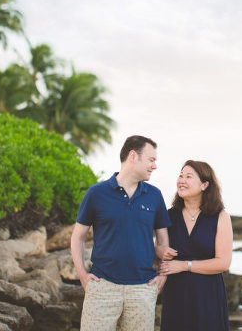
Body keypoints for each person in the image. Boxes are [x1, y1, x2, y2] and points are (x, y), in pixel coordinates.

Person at [70, 135, 172, 331]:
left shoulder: (154, 195)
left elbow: (162, 242)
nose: (154, 166)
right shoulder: (96, 193)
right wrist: (82, 275)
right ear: (133, 156)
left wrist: (163, 276)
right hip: (102, 287)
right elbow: (78, 237)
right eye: (151, 160)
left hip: (142, 289)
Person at [158, 160, 233, 331]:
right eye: (180, 176)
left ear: (204, 185)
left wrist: (184, 265)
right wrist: (160, 250)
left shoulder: (221, 217)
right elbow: (158, 251)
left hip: (208, 296)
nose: (182, 181)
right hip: (176, 294)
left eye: (188, 177)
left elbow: (223, 263)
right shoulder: (168, 215)